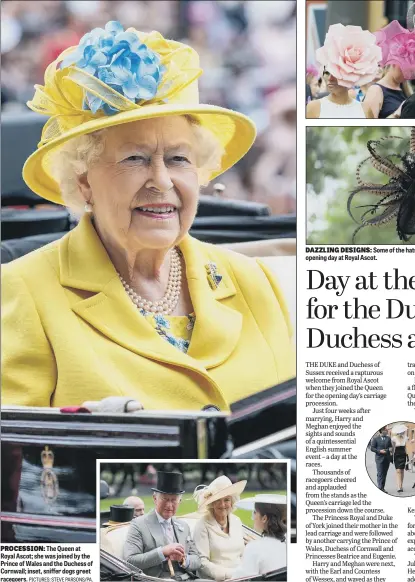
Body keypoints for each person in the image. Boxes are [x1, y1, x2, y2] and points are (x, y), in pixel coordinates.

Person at [1, 21, 295, 411]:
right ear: (83, 179)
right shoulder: (24, 291)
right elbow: (19, 460)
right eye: (135, 159)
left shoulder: (254, 282)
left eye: (178, 159)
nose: (161, 180)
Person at [123, 471, 201, 580]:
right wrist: (162, 552)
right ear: (155, 499)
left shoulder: (183, 526)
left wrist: (183, 559)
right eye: (165, 499)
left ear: (180, 501)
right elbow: (130, 561)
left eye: (174, 500)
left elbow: (197, 560)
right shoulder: (139, 524)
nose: (169, 505)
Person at [306, 23, 380, 119]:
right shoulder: (314, 107)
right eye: (327, 72)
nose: (330, 78)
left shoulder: (365, 110)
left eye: (337, 74)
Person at [192, 475, 247, 581]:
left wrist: (244, 572)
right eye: (218, 500)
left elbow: (242, 554)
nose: (222, 505)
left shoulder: (237, 521)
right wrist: (228, 575)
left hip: (241, 577)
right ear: (212, 503)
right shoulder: (202, 525)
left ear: (232, 502)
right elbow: (202, 562)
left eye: (226, 500)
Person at [365, 21, 415, 118]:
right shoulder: (376, 91)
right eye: (405, 69)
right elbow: (369, 129)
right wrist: (397, 114)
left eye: (411, 72)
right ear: (394, 62)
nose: (407, 75)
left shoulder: (406, 91)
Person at [231, 494, 287, 578]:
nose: (252, 517)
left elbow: (240, 578)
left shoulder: (254, 548)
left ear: (264, 518)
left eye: (254, 512)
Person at [370, 427, 393, 492]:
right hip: (379, 458)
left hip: (387, 458)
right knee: (380, 473)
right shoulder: (376, 439)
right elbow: (372, 448)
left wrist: (390, 449)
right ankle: (380, 488)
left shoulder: (388, 438)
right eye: (386, 430)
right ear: (382, 431)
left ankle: (382, 487)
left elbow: (390, 446)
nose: (387, 431)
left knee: (384, 473)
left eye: (387, 430)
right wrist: (379, 451)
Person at [391, 427, 408, 493]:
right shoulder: (394, 438)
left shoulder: (405, 438)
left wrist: (407, 455)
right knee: (398, 470)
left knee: (402, 470)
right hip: (397, 455)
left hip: (403, 455)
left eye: (403, 432)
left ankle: (401, 485)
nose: (402, 433)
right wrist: (391, 455)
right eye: (401, 432)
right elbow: (393, 448)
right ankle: (398, 487)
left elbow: (405, 447)